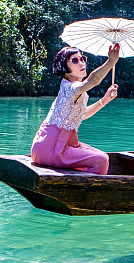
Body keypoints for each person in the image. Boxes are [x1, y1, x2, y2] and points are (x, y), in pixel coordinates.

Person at [30, 43, 120, 174]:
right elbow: (92, 81)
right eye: (75, 60)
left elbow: (82, 115)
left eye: (82, 58)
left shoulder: (76, 90)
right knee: (101, 160)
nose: (81, 63)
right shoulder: (70, 87)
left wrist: (104, 101)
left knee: (100, 156)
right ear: (65, 67)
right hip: (52, 148)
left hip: (49, 146)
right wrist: (111, 62)